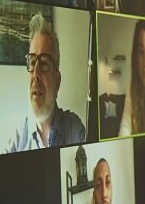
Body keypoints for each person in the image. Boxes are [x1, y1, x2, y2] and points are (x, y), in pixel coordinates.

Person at [5, 12, 86, 151]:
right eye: (31, 62)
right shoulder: (16, 135)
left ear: (57, 82)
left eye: (43, 63)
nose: (35, 74)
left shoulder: (74, 128)